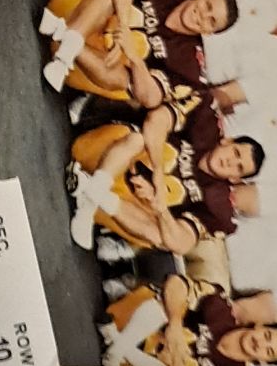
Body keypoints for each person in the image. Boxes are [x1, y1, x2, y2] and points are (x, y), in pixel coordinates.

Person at [68, 95, 263, 250]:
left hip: (122, 200)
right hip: (102, 155)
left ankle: (92, 194)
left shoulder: (219, 206)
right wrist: (158, 176)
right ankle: (91, 195)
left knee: (161, 237)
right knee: (138, 139)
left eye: (238, 167)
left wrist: (160, 207)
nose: (230, 162)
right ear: (228, 141)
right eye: (236, 153)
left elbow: (182, 243)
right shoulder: (207, 124)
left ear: (235, 178)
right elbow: (156, 121)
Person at [39, 0, 236, 102]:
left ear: (209, 33)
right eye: (208, 6)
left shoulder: (191, 64)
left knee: (127, 81)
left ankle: (65, 41)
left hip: (80, 66)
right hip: (68, 11)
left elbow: (150, 98)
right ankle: (67, 42)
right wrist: (123, 24)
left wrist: (134, 57)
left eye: (211, 21)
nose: (203, 15)